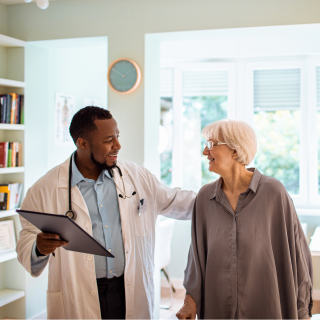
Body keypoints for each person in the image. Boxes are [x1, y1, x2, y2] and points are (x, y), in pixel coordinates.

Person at [16, 106, 196, 319]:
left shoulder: (136, 176)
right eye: (109, 139)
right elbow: (26, 240)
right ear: (83, 143)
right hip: (77, 294)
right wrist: (38, 247)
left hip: (128, 289)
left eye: (117, 136)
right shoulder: (44, 189)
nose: (118, 145)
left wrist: (224, 194)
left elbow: (177, 200)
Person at [176, 119, 313, 319]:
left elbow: (298, 257)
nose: (205, 152)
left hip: (267, 307)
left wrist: (302, 312)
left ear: (235, 150)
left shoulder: (274, 192)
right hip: (218, 309)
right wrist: (190, 301)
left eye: (211, 145)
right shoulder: (204, 198)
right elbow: (196, 260)